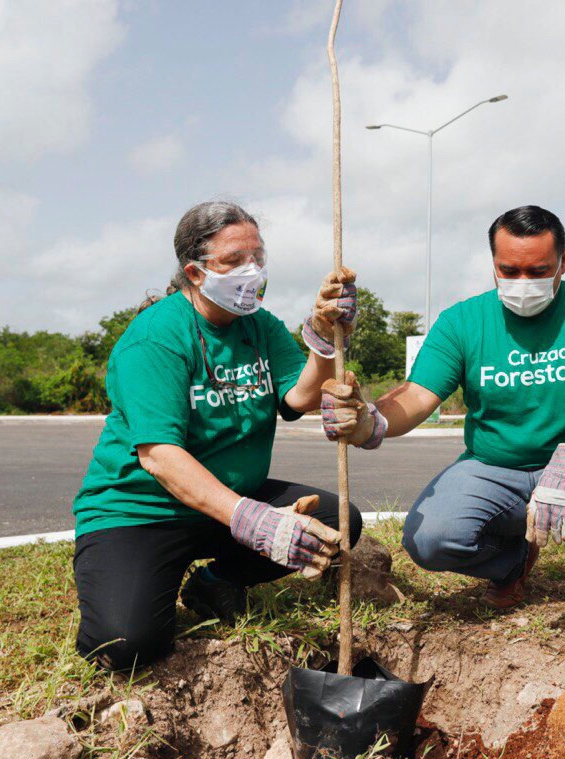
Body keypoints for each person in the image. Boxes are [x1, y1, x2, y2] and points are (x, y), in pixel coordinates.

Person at [321, 205, 565, 653]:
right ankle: (512, 564)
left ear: (563, 261)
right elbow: (416, 396)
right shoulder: (462, 321)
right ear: (492, 263)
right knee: (429, 538)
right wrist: (369, 418)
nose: (523, 283)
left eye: (539, 270)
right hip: (495, 469)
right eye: (509, 270)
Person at [72, 201, 362, 670]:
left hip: (225, 499)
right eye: (234, 261)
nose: (252, 271)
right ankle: (124, 586)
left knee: (337, 519)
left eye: (258, 257)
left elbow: (299, 397)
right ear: (196, 271)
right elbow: (160, 456)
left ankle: (215, 582)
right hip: (142, 510)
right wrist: (254, 521)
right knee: (127, 644)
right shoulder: (156, 337)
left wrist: (325, 339)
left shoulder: (258, 325)